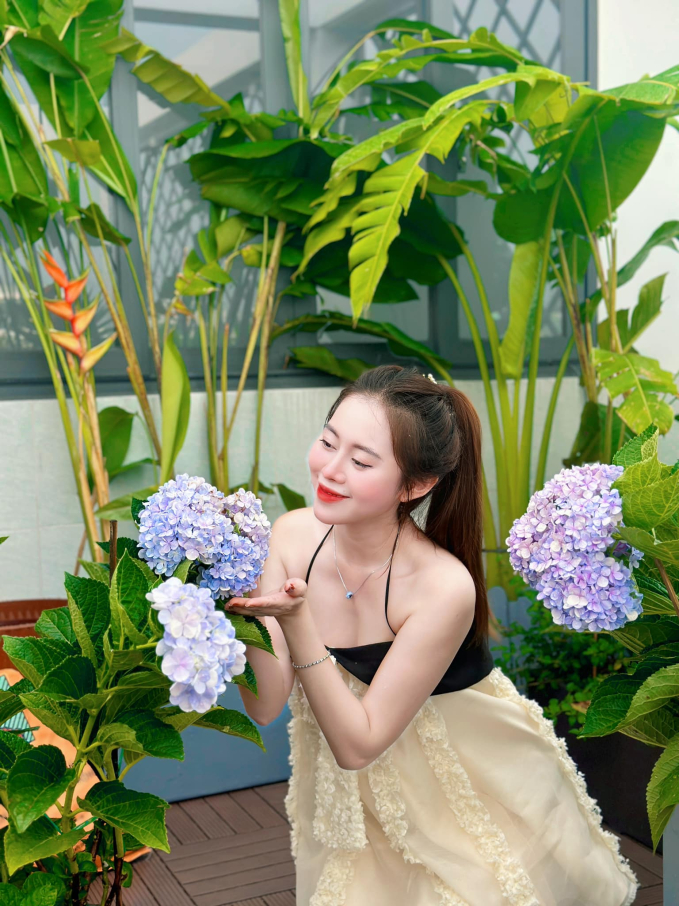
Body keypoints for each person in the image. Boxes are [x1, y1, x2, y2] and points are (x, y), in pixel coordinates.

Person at [226, 364, 638, 906]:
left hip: (464, 778)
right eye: (328, 442)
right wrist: (238, 610)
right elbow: (264, 705)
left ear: (416, 485)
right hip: (357, 797)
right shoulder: (291, 535)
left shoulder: (443, 586)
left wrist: (297, 623)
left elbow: (358, 745)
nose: (330, 469)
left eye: (361, 461)